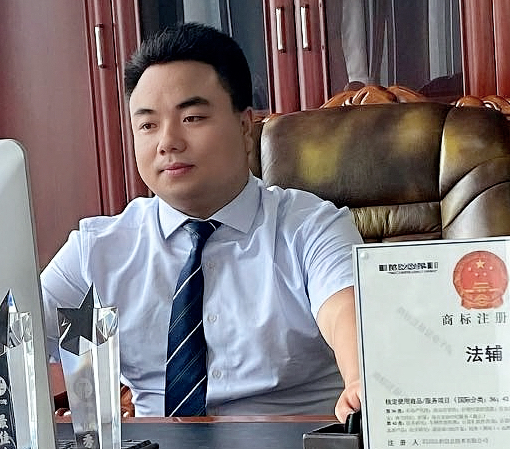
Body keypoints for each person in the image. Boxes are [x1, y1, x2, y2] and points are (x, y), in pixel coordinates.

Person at [40, 22, 363, 420]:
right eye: (147, 125)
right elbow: (13, 338)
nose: (167, 142)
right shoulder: (98, 249)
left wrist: (359, 379)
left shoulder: (310, 227)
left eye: (191, 118)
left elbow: (345, 311)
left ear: (244, 127)